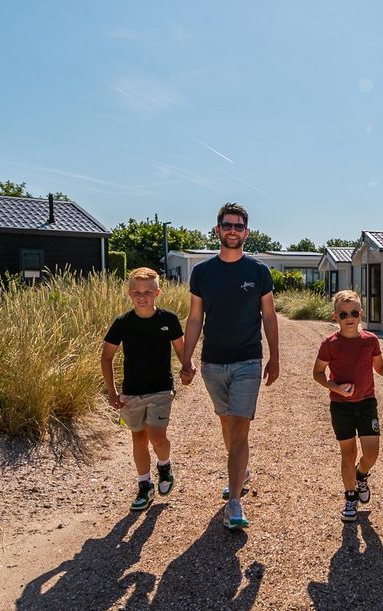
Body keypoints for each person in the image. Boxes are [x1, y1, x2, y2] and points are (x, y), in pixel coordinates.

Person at [179, 202, 280, 530]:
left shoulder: (258, 272)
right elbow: (195, 318)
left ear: (246, 232)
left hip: (248, 360)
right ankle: (240, 472)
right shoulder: (203, 272)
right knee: (227, 426)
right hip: (212, 364)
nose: (233, 231)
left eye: (239, 226)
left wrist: (275, 356)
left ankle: (234, 502)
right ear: (217, 229)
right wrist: (186, 358)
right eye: (227, 225)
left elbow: (268, 315)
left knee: (239, 429)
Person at [313, 289, 383, 522]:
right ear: (336, 317)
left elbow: (379, 368)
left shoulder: (370, 340)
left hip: (366, 403)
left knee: (371, 454)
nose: (349, 317)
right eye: (343, 314)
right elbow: (318, 373)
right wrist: (336, 387)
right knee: (348, 453)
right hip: (341, 406)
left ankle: (361, 476)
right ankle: (350, 498)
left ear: (361, 314)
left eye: (353, 312)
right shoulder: (329, 344)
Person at [102, 267, 186, 512]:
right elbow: (106, 357)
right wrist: (112, 390)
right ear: (129, 294)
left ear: (157, 292)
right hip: (131, 392)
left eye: (147, 292)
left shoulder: (168, 320)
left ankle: (165, 466)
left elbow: (181, 351)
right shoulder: (123, 323)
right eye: (137, 292)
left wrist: (187, 367)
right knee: (138, 438)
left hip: (161, 389)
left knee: (157, 437)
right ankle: (144, 486)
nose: (142, 296)